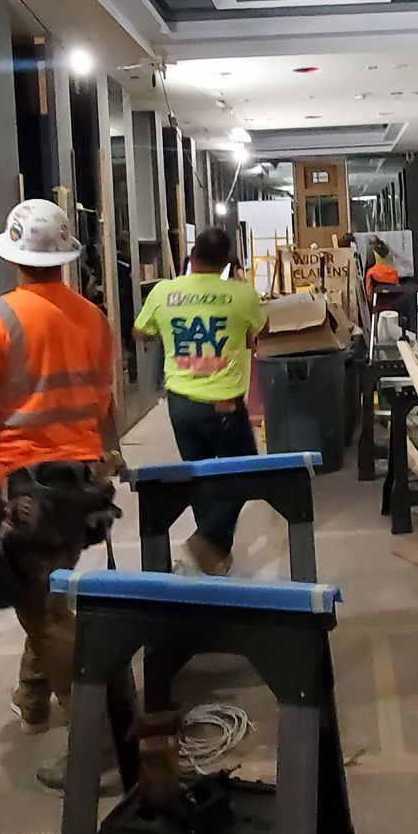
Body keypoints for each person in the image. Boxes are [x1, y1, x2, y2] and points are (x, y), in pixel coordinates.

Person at [0, 199, 120, 787]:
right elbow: (102, 400)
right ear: (66, 256)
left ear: (13, 256)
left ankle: (98, 749)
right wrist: (104, 464)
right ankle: (34, 696)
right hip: (76, 487)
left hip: (22, 488)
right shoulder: (93, 318)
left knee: (47, 614)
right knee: (43, 592)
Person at [134, 224, 266, 575]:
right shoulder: (242, 294)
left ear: (191, 256)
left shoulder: (164, 292)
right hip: (223, 403)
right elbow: (261, 331)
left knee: (201, 476)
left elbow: (140, 332)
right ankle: (208, 540)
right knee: (246, 473)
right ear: (226, 261)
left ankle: (215, 554)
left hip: (181, 403)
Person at [365, 238, 400, 305]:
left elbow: (370, 264)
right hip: (390, 275)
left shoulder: (372, 251)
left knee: (368, 275)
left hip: (378, 276)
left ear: (372, 243)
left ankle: (370, 299)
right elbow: (391, 261)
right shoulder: (387, 250)